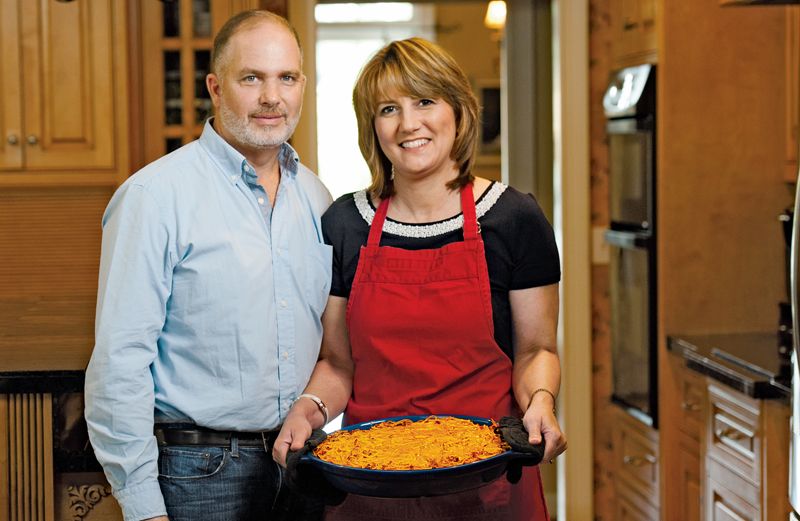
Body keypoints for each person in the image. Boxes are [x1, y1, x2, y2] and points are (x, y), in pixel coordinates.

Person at [273, 37, 567, 520]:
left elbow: (536, 350)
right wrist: (308, 408)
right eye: (389, 108)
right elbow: (336, 363)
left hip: (488, 481)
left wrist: (539, 401)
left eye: (425, 101)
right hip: (370, 487)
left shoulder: (515, 219)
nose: (409, 123)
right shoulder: (345, 224)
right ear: (373, 128)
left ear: (457, 109)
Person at [84, 10, 332, 521]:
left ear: (302, 85)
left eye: (286, 77)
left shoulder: (316, 195)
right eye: (252, 78)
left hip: (303, 461)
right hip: (199, 473)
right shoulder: (154, 197)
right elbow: (121, 360)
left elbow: (333, 343)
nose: (272, 96)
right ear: (215, 88)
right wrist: (142, 504)